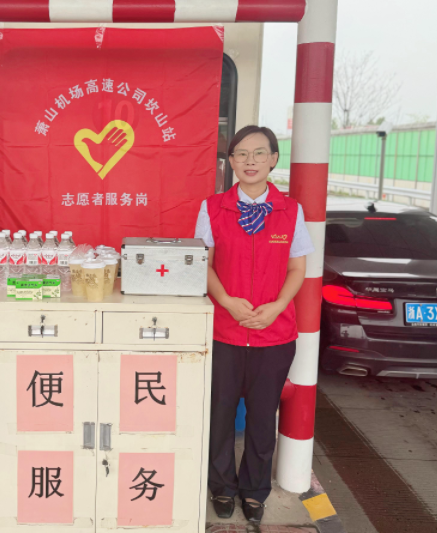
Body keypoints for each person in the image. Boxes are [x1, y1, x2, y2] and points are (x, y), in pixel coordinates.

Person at [195, 125, 313, 524]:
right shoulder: (213, 208)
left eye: (259, 153)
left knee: (263, 420)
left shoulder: (290, 211)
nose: (250, 161)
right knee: (220, 416)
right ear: (230, 161)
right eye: (241, 154)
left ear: (273, 159)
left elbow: (297, 268)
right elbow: (204, 265)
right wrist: (227, 301)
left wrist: (277, 306)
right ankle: (221, 486)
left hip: (274, 334)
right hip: (223, 332)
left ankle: (255, 490)